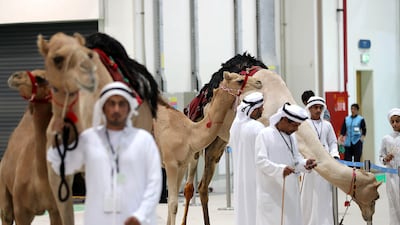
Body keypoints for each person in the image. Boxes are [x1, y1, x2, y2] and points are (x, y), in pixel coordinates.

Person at [47, 82, 162, 225]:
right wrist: (57, 140)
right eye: (111, 104)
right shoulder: (88, 139)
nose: (116, 109)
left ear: (129, 108)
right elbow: (62, 166)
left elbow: (154, 183)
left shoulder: (144, 141)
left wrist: (140, 215)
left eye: (121, 104)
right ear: (103, 107)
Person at [255, 102, 317, 225]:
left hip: (291, 191)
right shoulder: (265, 134)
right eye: (294, 125)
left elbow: (295, 159)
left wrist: (305, 164)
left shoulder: (291, 137)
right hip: (272, 192)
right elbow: (260, 161)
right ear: (283, 120)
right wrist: (281, 170)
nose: (296, 129)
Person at [300, 96, 339, 225]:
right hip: (310, 165)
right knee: (309, 196)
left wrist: (334, 155)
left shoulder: (327, 125)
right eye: (315, 107)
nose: (318, 110)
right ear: (309, 108)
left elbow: (333, 142)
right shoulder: (304, 125)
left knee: (324, 195)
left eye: (320, 107)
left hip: (326, 164)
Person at [229, 92, 264, 225]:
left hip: (240, 178)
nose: (263, 110)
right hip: (256, 178)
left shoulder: (235, 127)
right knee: (256, 211)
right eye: (261, 108)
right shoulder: (257, 128)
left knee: (243, 210)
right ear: (254, 110)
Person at [379, 108, 400, 225]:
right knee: (393, 203)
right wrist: (385, 159)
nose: (395, 124)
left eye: (397, 121)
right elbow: (380, 156)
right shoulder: (386, 139)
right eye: (392, 122)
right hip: (392, 176)